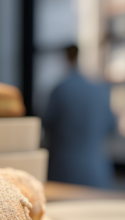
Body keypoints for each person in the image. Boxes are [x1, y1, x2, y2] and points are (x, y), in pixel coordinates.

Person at [43, 45, 117, 188]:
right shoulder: (100, 90)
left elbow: (46, 124)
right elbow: (112, 127)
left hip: (63, 171)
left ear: (67, 57)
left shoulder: (61, 90)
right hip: (97, 171)